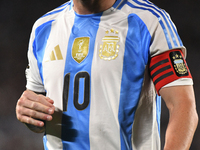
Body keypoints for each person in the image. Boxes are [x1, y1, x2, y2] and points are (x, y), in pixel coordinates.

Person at [16, 0, 198, 149]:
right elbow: (38, 111)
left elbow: (183, 106)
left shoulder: (148, 21)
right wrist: (28, 114)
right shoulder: (43, 28)